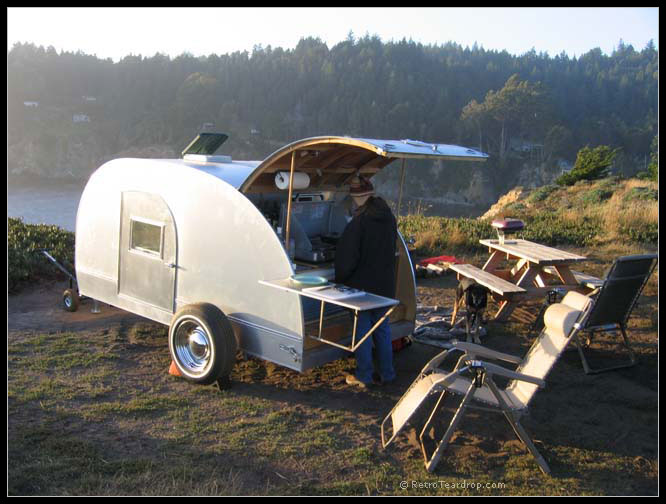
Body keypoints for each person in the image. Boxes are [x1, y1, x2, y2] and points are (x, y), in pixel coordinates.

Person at [335, 175, 398, 388]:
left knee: (361, 331)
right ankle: (387, 373)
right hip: (385, 286)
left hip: (364, 290)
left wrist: (340, 279)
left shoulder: (359, 223)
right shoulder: (389, 217)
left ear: (356, 199)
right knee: (382, 329)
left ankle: (364, 375)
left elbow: (347, 260)